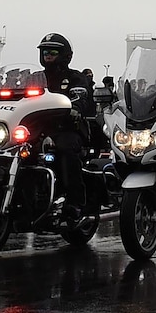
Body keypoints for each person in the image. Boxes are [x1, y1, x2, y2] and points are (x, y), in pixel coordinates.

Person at [35, 32, 99, 215]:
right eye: (45, 51)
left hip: (68, 128)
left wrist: (75, 107)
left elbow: (81, 97)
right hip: (38, 130)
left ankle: (75, 202)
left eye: (53, 51)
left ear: (65, 55)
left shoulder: (74, 78)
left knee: (65, 149)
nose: (48, 54)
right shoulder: (35, 77)